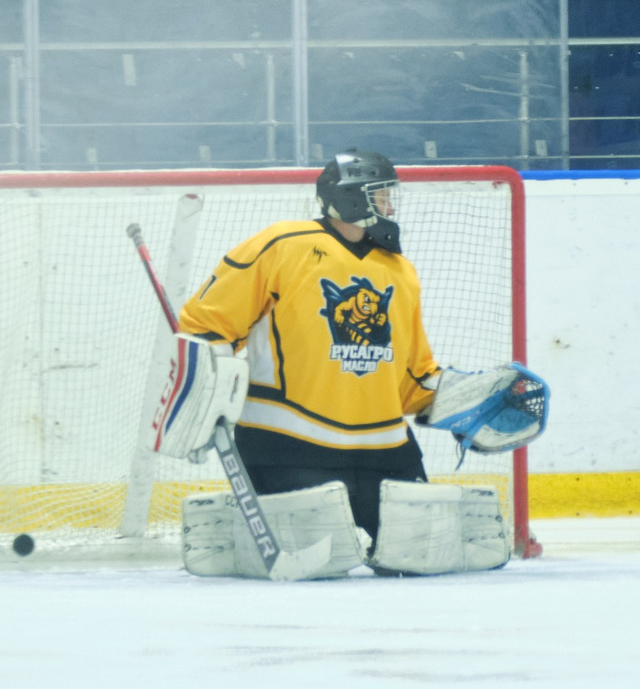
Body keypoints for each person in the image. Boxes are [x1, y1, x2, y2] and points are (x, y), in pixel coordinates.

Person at [173, 151, 443, 543]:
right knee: (325, 557)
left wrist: (459, 403)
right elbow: (206, 326)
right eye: (380, 194)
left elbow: (412, 369)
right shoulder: (282, 244)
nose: (389, 204)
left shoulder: (400, 269)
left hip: (384, 446)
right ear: (351, 196)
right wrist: (200, 401)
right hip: (289, 445)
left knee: (422, 552)